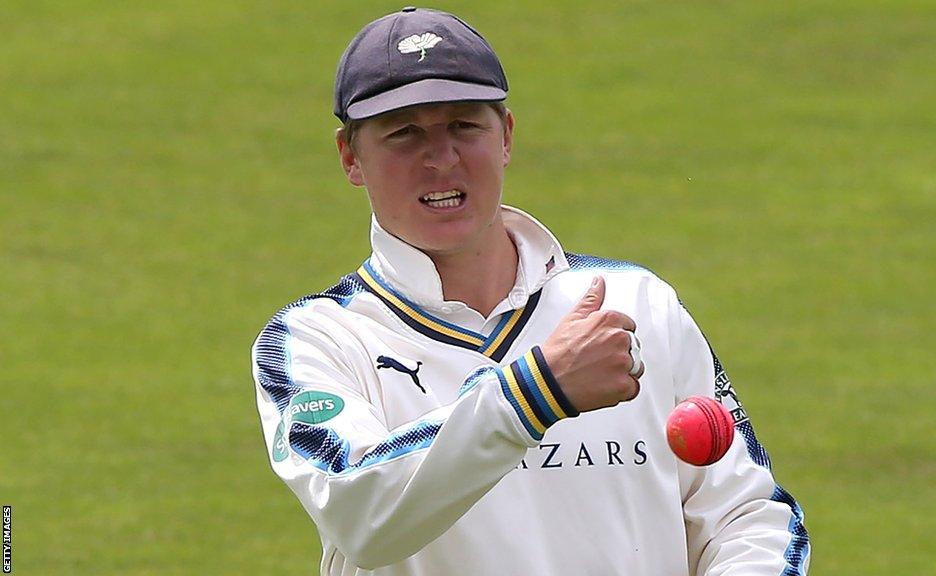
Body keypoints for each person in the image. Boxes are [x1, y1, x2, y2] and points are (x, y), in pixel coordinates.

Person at [251, 7, 810, 576]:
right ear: (351, 157)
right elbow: (361, 514)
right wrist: (537, 392)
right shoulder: (313, 342)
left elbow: (746, 515)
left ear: (507, 137)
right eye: (404, 133)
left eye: (464, 126)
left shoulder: (639, 305)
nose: (441, 159)